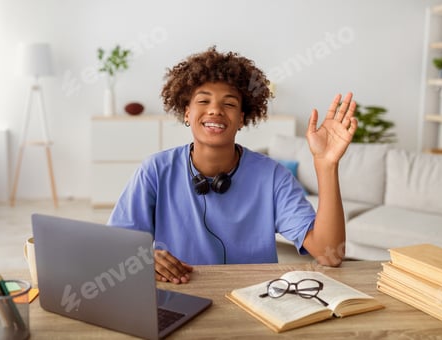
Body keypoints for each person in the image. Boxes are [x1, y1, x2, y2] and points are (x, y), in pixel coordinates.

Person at [108, 46, 357, 284]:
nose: (215, 110)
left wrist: (326, 165)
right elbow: (114, 248)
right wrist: (144, 259)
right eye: (203, 101)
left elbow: (330, 255)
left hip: (256, 300)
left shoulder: (272, 177)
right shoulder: (156, 170)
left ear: (241, 119)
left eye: (229, 104)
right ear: (186, 112)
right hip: (179, 292)